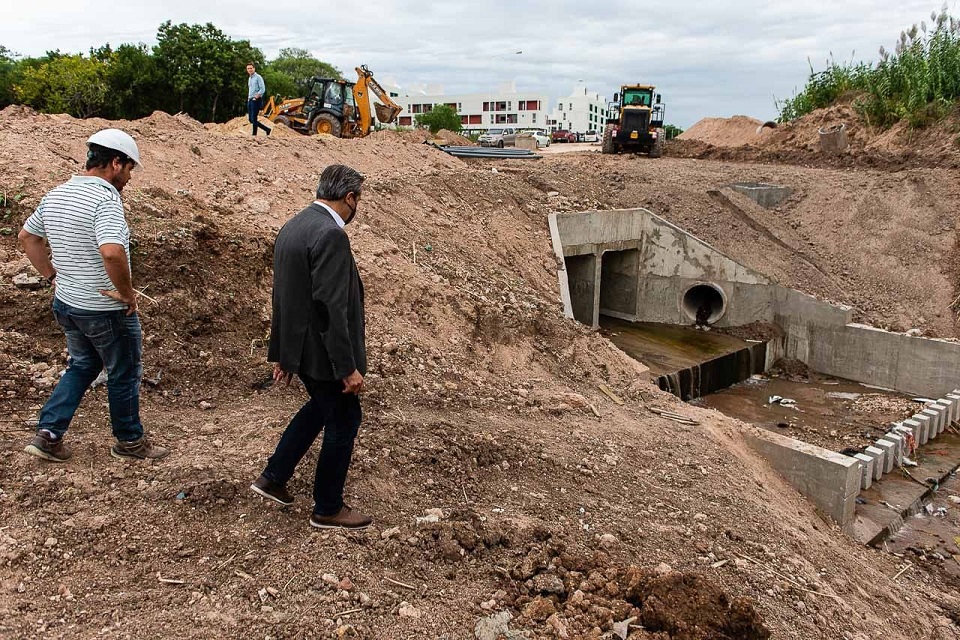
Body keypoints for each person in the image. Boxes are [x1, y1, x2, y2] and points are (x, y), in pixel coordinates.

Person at [18, 129, 168, 462]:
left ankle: (48, 435)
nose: (129, 178)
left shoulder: (57, 194)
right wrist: (127, 295)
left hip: (68, 303)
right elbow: (112, 253)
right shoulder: (105, 199)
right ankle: (130, 442)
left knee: (83, 364)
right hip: (103, 308)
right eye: (129, 169)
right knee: (125, 370)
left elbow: (28, 237)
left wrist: (52, 275)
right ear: (116, 163)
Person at [250, 164, 372, 530]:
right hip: (323, 354)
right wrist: (346, 367)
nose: (357, 209)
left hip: (302, 349)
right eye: (358, 201)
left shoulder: (294, 226)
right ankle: (328, 507)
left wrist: (285, 355)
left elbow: (285, 297)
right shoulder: (331, 236)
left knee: (320, 409)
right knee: (345, 418)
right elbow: (328, 307)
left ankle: (274, 477)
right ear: (349, 197)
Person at [246, 62, 271, 136]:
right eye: (248, 68)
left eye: (251, 68)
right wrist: (249, 99)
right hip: (250, 99)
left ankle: (254, 135)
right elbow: (250, 89)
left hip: (256, 100)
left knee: (254, 118)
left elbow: (262, 89)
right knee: (251, 119)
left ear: (254, 68)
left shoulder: (258, 77)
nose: (249, 70)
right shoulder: (249, 78)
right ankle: (267, 129)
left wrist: (255, 97)